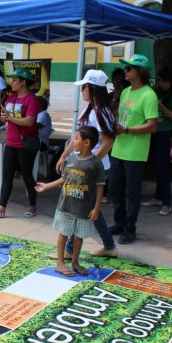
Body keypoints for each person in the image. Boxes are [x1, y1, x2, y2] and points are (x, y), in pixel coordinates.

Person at [54, 70, 118, 258]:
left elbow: (107, 142)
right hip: (83, 167)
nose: (82, 90)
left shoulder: (101, 112)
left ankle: (69, 250)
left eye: (84, 87)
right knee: (88, 208)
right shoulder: (89, 109)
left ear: (92, 88)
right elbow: (76, 139)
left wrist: (90, 164)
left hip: (92, 170)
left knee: (79, 208)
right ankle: (109, 246)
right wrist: (64, 156)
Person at [35, 126, 106, 276]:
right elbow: (64, 179)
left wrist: (96, 208)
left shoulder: (95, 163)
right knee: (64, 233)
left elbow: (100, 187)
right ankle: (60, 263)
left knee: (78, 236)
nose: (73, 142)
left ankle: (75, 262)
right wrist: (47, 186)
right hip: (65, 206)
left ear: (86, 143)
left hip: (83, 208)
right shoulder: (72, 158)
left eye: (76, 139)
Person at [109, 55, 159, 244]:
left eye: (129, 68)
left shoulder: (148, 95)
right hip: (119, 148)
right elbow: (123, 117)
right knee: (115, 189)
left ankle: (130, 228)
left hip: (135, 152)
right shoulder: (126, 92)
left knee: (132, 192)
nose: (125, 71)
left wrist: (127, 130)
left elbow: (153, 126)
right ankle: (119, 223)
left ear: (140, 72)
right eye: (126, 68)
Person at [0, 67, 40, 218]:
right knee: (7, 174)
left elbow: (29, 121)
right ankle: (1, 206)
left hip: (25, 143)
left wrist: (10, 119)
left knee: (27, 174)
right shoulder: (11, 98)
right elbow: (4, 118)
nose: (12, 82)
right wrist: (4, 116)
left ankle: (32, 206)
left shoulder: (32, 99)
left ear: (23, 82)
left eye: (15, 80)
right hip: (11, 142)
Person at [142, 67, 172, 216]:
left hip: (166, 134)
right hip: (156, 132)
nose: (160, 84)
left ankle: (167, 203)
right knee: (158, 166)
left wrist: (161, 105)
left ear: (170, 81)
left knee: (163, 168)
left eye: (162, 81)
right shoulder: (162, 92)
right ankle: (158, 197)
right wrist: (155, 87)